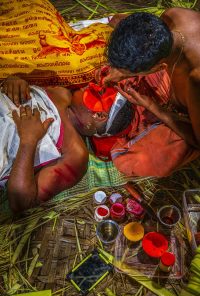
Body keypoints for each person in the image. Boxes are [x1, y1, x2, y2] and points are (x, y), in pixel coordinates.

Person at [0, 75, 134, 213]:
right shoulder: (61, 92)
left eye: (97, 92)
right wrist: (13, 82)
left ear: (99, 116)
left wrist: (28, 141)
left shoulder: (76, 155)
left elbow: (21, 202)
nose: (89, 85)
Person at [94, 9, 200, 177]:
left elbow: (198, 140)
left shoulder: (196, 76)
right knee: (117, 20)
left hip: (194, 111)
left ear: (160, 68)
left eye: (133, 72)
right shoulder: (172, 16)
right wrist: (122, 70)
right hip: (176, 82)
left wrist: (151, 105)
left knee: (147, 159)